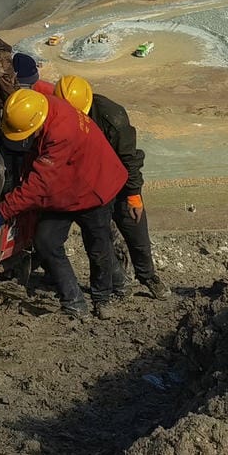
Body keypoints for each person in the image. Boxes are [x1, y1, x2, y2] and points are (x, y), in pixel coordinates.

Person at [0, 89, 127, 318]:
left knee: (97, 244)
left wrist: (1, 213)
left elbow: (39, 184)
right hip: (67, 185)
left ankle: (102, 298)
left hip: (95, 187)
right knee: (46, 241)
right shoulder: (41, 105)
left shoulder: (61, 133)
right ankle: (74, 300)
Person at [56, 75, 166, 299]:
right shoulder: (61, 116)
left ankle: (148, 277)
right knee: (101, 239)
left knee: (136, 234)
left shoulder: (111, 117)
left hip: (121, 184)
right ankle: (118, 282)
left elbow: (130, 159)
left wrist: (134, 194)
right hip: (92, 188)